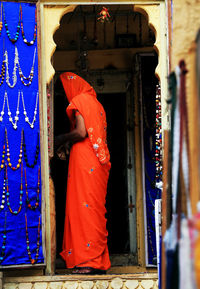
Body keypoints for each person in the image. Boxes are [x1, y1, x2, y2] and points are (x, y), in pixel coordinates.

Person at [55, 72, 111, 274]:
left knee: (83, 209)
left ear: (72, 88)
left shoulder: (79, 100)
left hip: (85, 160)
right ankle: (98, 260)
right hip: (97, 160)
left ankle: (88, 262)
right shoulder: (97, 104)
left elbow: (81, 132)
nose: (65, 94)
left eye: (64, 89)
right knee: (93, 209)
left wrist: (60, 138)